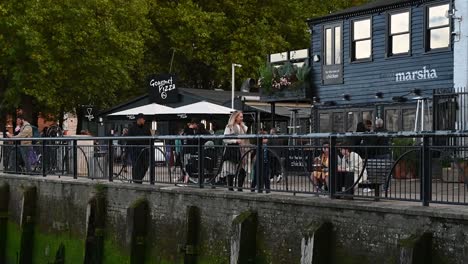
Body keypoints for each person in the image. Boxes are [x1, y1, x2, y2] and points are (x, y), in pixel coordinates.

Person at [220, 111, 249, 191]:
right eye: (240, 117)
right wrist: (235, 141)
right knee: (230, 170)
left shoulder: (243, 127)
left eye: (242, 117)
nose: (242, 118)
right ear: (235, 117)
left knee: (242, 169)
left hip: (242, 149)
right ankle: (231, 188)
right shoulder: (229, 126)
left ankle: (239, 187)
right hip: (232, 150)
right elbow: (225, 139)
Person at [127, 113, 152, 183]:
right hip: (135, 151)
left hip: (144, 150)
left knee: (145, 166)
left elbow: (149, 138)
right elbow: (129, 140)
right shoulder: (132, 128)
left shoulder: (146, 128)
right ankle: (136, 180)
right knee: (136, 166)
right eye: (143, 119)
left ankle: (138, 179)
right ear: (139, 119)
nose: (144, 121)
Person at [251, 129, 270, 193]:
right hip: (258, 163)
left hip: (265, 162)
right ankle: (254, 188)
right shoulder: (258, 145)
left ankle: (267, 189)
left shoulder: (268, 146)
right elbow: (253, 153)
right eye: (264, 138)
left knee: (266, 176)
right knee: (256, 176)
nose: (266, 140)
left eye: (266, 138)